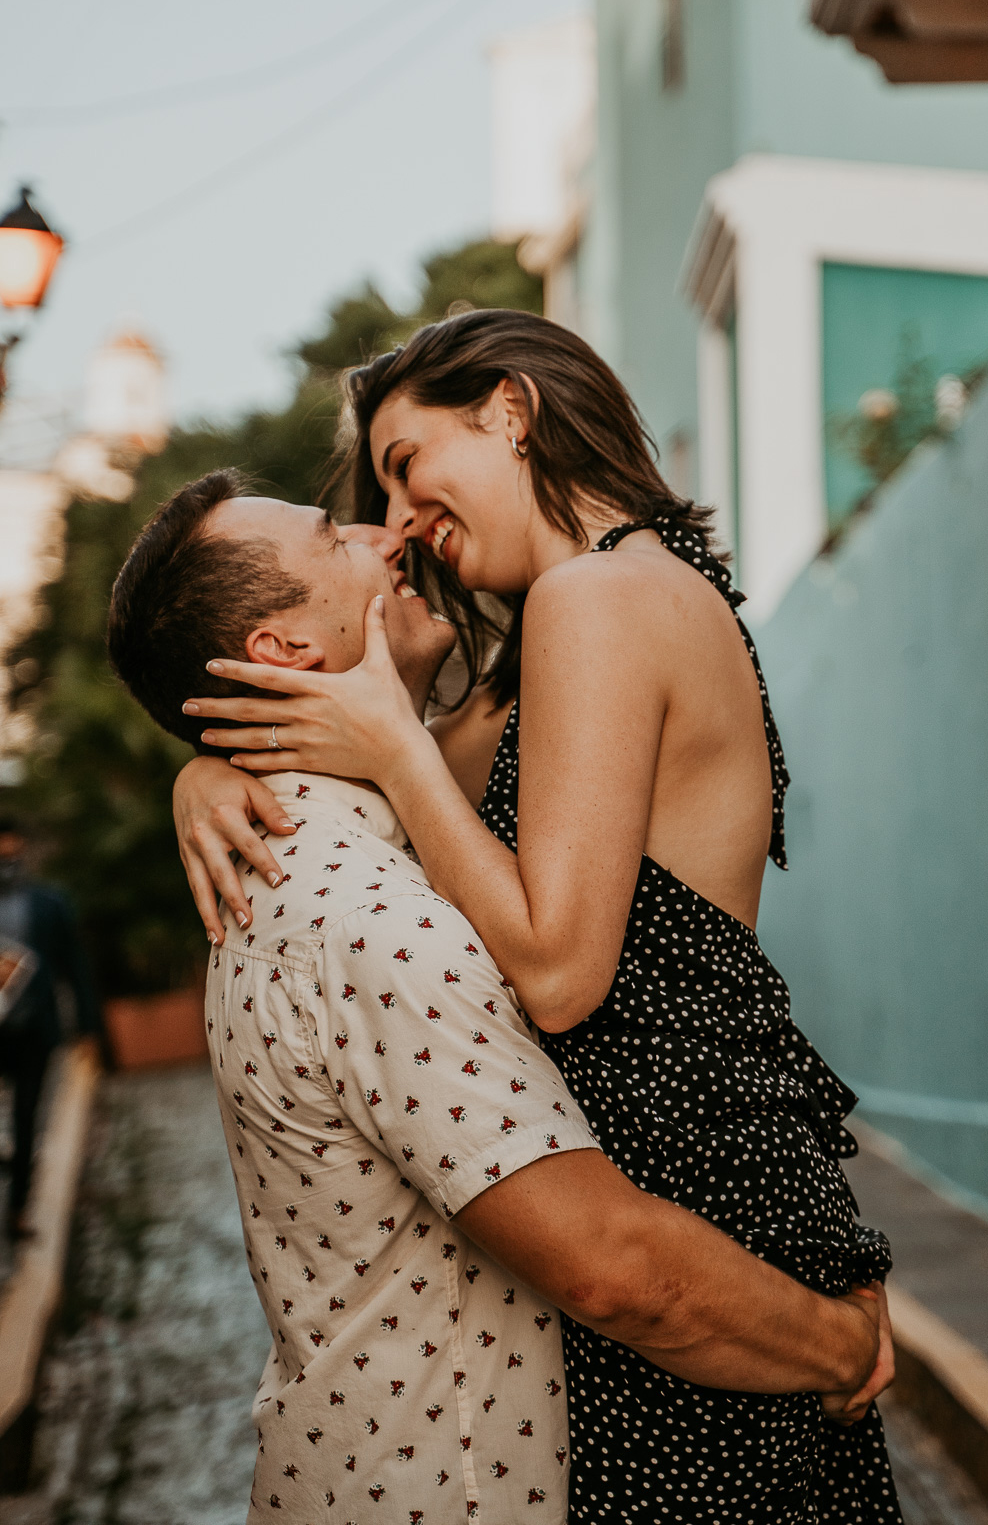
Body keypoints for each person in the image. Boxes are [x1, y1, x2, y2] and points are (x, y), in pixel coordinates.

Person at [172, 311, 900, 1525]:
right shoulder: (582, 633)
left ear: (509, 411)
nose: (400, 521)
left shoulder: (601, 597)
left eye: (407, 464)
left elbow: (559, 971)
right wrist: (212, 768)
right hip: (682, 1205)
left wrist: (399, 751)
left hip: (680, 1220)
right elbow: (361, 752)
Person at [0, 813, 101, 1239]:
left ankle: (18, 1210)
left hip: (33, 1031)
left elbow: (74, 965)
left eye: (13, 851)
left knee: (28, 1120)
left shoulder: (49, 902)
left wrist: (88, 1025)